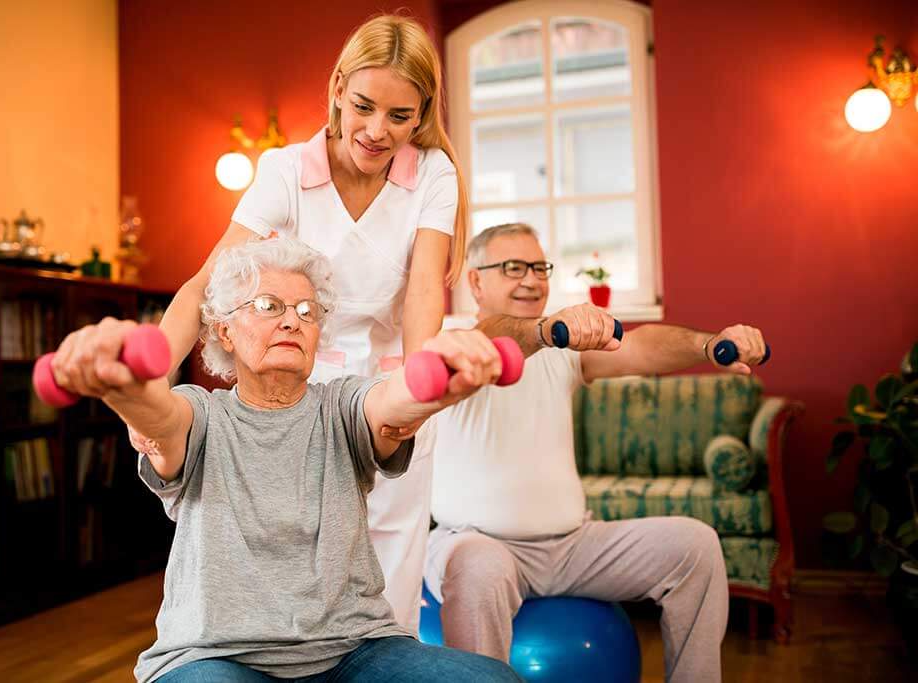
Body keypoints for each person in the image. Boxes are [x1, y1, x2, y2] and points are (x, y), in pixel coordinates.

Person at [110, 14, 466, 632]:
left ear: (422, 114)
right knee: (300, 587)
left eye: (400, 116)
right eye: (363, 106)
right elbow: (206, 288)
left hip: (389, 389)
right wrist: (150, 387)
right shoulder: (284, 172)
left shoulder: (433, 174)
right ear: (336, 88)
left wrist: (417, 393)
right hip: (305, 405)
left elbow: (421, 297)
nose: (377, 131)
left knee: (391, 599)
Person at [47, 239, 520, 683]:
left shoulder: (341, 405)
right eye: (269, 307)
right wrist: (123, 385)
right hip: (216, 653)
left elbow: (392, 403)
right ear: (225, 331)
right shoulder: (203, 413)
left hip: (353, 649)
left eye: (307, 311)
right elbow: (160, 418)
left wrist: (436, 381)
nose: (292, 321)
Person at [424, 223, 769, 683]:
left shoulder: (561, 354)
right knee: (479, 568)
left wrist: (707, 344)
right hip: (477, 543)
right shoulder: (456, 348)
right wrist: (546, 329)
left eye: (539, 267)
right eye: (512, 268)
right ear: (475, 282)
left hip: (570, 546)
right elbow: (497, 333)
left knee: (696, 546)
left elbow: (642, 347)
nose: (530, 279)